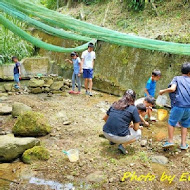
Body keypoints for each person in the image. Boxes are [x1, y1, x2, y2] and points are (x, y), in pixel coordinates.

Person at [160, 62, 190, 150]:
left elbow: (173, 89)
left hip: (178, 105)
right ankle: (183, 144)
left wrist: (163, 91)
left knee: (171, 122)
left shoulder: (177, 78)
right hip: (189, 107)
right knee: (184, 125)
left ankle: (170, 141)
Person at [103, 89, 142, 155]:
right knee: (139, 133)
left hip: (106, 133)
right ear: (134, 99)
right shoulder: (133, 109)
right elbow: (136, 128)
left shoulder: (115, 104)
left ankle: (112, 141)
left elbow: (104, 118)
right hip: (118, 137)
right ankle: (123, 145)